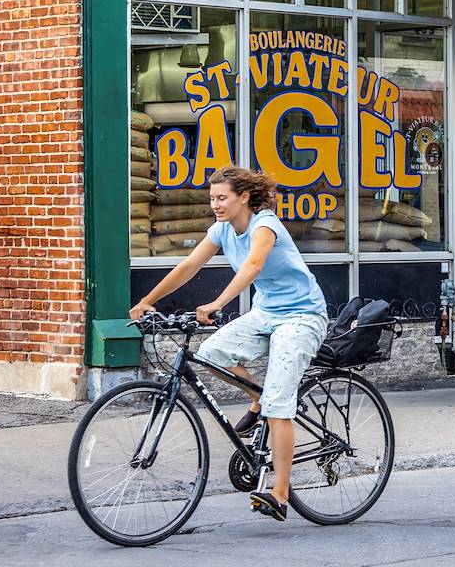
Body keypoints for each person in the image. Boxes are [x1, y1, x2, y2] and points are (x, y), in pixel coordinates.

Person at [128, 165, 329, 522]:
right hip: (268, 312)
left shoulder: (264, 224)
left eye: (222, 198)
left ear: (244, 198)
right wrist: (148, 300)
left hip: (302, 316)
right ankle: (257, 399)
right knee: (211, 353)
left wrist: (218, 303)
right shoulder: (222, 229)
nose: (215, 205)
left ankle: (279, 493)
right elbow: (190, 265)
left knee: (279, 404)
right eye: (212, 199)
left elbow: (252, 267)